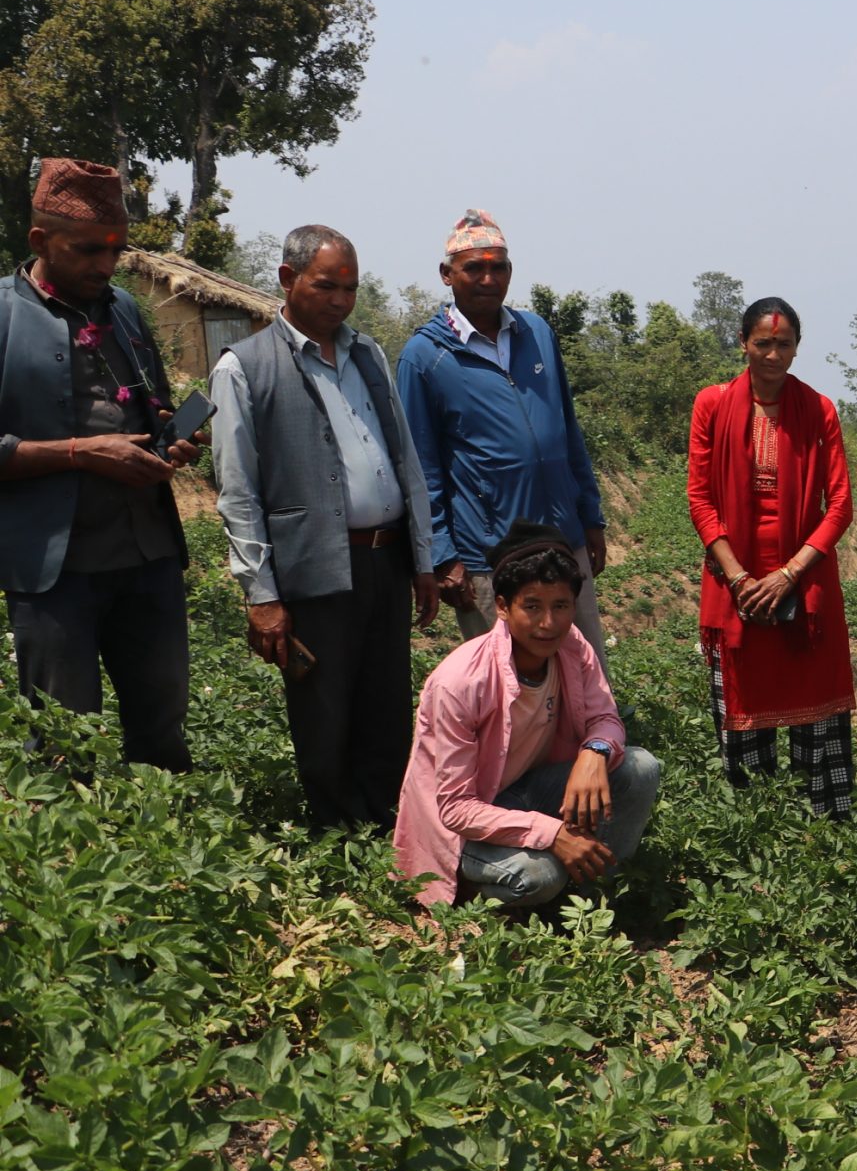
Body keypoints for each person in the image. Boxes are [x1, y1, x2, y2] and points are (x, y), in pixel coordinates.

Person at [209, 225, 440, 828]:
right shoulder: (244, 367)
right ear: (288, 280)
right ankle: (336, 832)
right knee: (324, 708)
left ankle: (389, 823)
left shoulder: (367, 353)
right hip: (314, 565)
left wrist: (422, 560)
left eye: (350, 288)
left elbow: (404, 457)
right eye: (326, 285)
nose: (340, 300)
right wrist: (261, 596)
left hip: (384, 560)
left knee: (385, 699)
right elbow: (238, 493)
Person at [0, 158, 202, 769]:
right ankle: (74, 862)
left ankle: (166, 858)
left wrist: (172, 444)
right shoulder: (4, 317)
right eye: (88, 250)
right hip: (56, 570)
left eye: (115, 251)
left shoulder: (125, 311)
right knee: (64, 746)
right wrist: (81, 453)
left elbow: (156, 406)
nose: (105, 266)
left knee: (162, 732)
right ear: (40, 241)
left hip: (148, 558)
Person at [395, 524, 658, 909]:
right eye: (532, 606)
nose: (548, 623)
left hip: (528, 789)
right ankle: (478, 891)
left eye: (561, 606)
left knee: (640, 767)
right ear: (502, 607)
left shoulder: (572, 646)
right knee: (538, 876)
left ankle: (592, 902)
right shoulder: (460, 682)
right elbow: (454, 808)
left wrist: (595, 751)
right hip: (464, 824)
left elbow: (606, 717)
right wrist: (551, 833)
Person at [395, 209, 610, 667]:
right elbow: (419, 466)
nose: (488, 278)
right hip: (488, 550)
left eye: (499, 266)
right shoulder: (425, 356)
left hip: (562, 538)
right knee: (505, 683)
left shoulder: (537, 333)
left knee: (581, 669)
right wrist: (442, 553)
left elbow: (568, 432)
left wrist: (590, 517)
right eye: (474, 267)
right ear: (447, 275)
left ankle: (594, 742)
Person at [687, 296, 857, 815]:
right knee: (744, 710)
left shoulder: (820, 409)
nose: (773, 354)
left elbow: (841, 503)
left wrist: (789, 574)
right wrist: (740, 578)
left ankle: (824, 827)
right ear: (743, 343)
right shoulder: (712, 404)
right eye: (763, 343)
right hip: (732, 584)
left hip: (805, 584)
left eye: (784, 344)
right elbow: (700, 497)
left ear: (797, 347)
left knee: (817, 715)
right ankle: (756, 829)